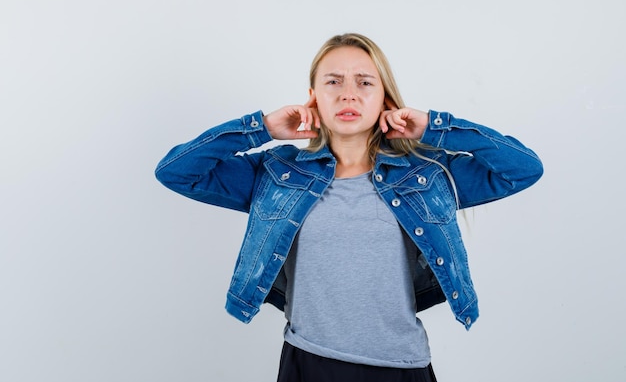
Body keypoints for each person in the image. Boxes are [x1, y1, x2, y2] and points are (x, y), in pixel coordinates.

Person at [155, 33, 543, 382]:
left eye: (364, 82)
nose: (348, 94)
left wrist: (437, 128)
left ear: (385, 99)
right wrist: (263, 127)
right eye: (333, 82)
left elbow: (523, 169)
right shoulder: (276, 174)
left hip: (401, 369)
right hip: (307, 362)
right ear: (313, 97)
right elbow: (177, 172)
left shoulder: (428, 174)